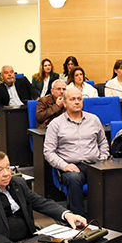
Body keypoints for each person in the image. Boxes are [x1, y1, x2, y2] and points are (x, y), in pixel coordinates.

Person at [0, 150, 85, 243]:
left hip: (30, 239)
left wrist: (66, 214)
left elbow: (39, 202)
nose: (6, 173)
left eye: (8, 167)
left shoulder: (18, 183)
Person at [44, 86, 110, 216]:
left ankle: (107, 217)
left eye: (79, 99)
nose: (77, 102)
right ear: (64, 103)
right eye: (72, 99)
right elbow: (48, 152)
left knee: (114, 176)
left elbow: (103, 142)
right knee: (74, 179)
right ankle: (78, 219)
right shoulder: (55, 124)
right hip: (71, 166)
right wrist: (65, 166)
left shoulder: (93, 119)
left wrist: (103, 157)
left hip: (95, 164)